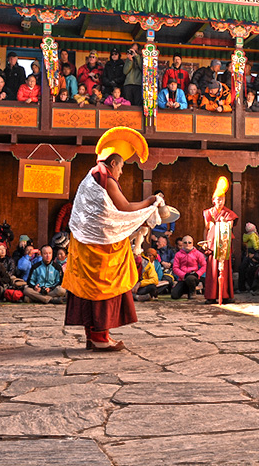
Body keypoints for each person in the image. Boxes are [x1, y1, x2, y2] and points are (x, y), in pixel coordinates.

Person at [64, 126, 164, 351]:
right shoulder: (105, 178)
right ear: (112, 164)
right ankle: (100, 338)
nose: (122, 172)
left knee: (89, 289)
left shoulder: (92, 175)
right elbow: (124, 207)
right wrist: (148, 203)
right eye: (121, 166)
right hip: (100, 247)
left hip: (85, 244)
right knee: (104, 288)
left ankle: (93, 336)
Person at [203, 176, 237, 304]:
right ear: (213, 200)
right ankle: (211, 296)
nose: (220, 202)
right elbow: (206, 229)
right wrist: (205, 242)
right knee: (212, 270)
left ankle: (225, 295)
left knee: (225, 270)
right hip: (212, 245)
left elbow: (230, 226)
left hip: (224, 245)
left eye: (222, 199)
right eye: (218, 199)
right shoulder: (208, 213)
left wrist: (223, 223)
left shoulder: (228, 214)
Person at [171, 235, 206, 299]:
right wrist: (183, 275)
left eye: (189, 242)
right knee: (174, 295)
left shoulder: (198, 254)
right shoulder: (178, 254)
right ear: (182, 244)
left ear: (192, 243)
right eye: (185, 242)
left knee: (190, 278)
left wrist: (197, 274)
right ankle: (188, 289)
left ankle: (192, 292)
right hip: (183, 278)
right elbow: (175, 268)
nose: (187, 244)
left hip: (193, 277)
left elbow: (204, 266)